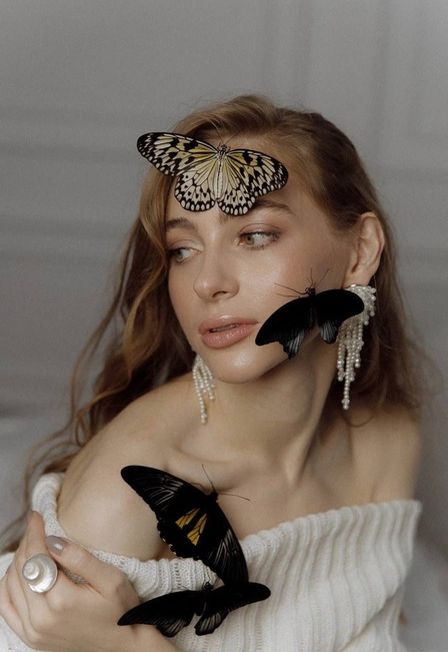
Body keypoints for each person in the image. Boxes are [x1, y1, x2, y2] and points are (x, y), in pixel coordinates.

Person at [0, 94, 423, 651]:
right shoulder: (131, 487)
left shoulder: (386, 445)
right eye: (182, 249)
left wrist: (133, 647)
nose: (207, 281)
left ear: (360, 250)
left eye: (254, 236)